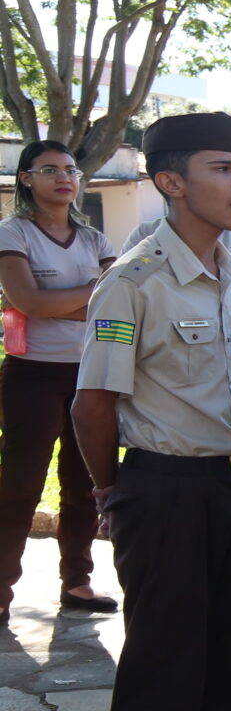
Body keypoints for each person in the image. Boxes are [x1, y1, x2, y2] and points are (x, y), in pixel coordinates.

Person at [73, 112, 231, 711]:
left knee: (224, 661)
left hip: (228, 483)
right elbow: (94, 405)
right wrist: (106, 491)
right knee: (164, 670)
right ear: (170, 182)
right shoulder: (134, 281)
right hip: (161, 485)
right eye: (224, 168)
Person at [0, 140, 118, 620]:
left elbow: (117, 305)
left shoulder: (95, 240)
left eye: (70, 170)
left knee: (84, 480)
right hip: (32, 375)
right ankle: (2, 589)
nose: (65, 178)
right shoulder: (13, 233)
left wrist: (62, 303)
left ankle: (78, 583)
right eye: (49, 170)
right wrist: (88, 297)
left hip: (91, 374)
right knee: (20, 484)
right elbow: (28, 301)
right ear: (26, 178)